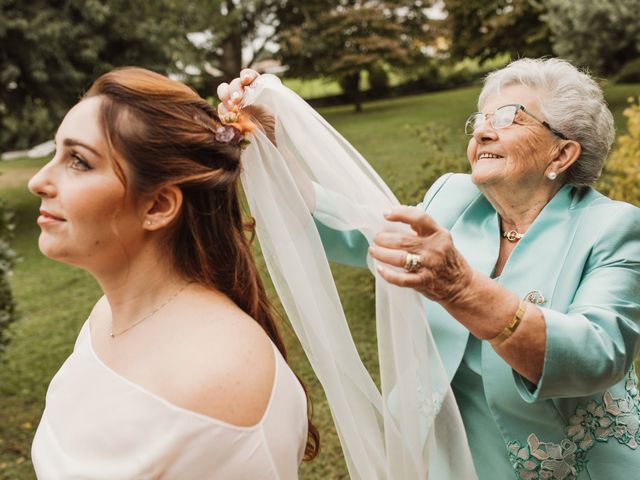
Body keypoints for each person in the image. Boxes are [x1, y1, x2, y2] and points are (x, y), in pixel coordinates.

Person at [220, 58, 640, 480]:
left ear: (562, 152)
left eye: (510, 117)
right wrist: (273, 144)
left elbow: (598, 353)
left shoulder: (611, 227)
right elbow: (359, 232)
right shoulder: (455, 197)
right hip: (449, 459)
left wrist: (463, 290)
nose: (482, 130)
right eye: (481, 118)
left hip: (570, 465)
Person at [28, 67, 318, 479]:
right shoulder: (105, 318)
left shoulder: (223, 382)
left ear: (158, 207)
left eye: (78, 161)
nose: (38, 181)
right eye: (54, 154)